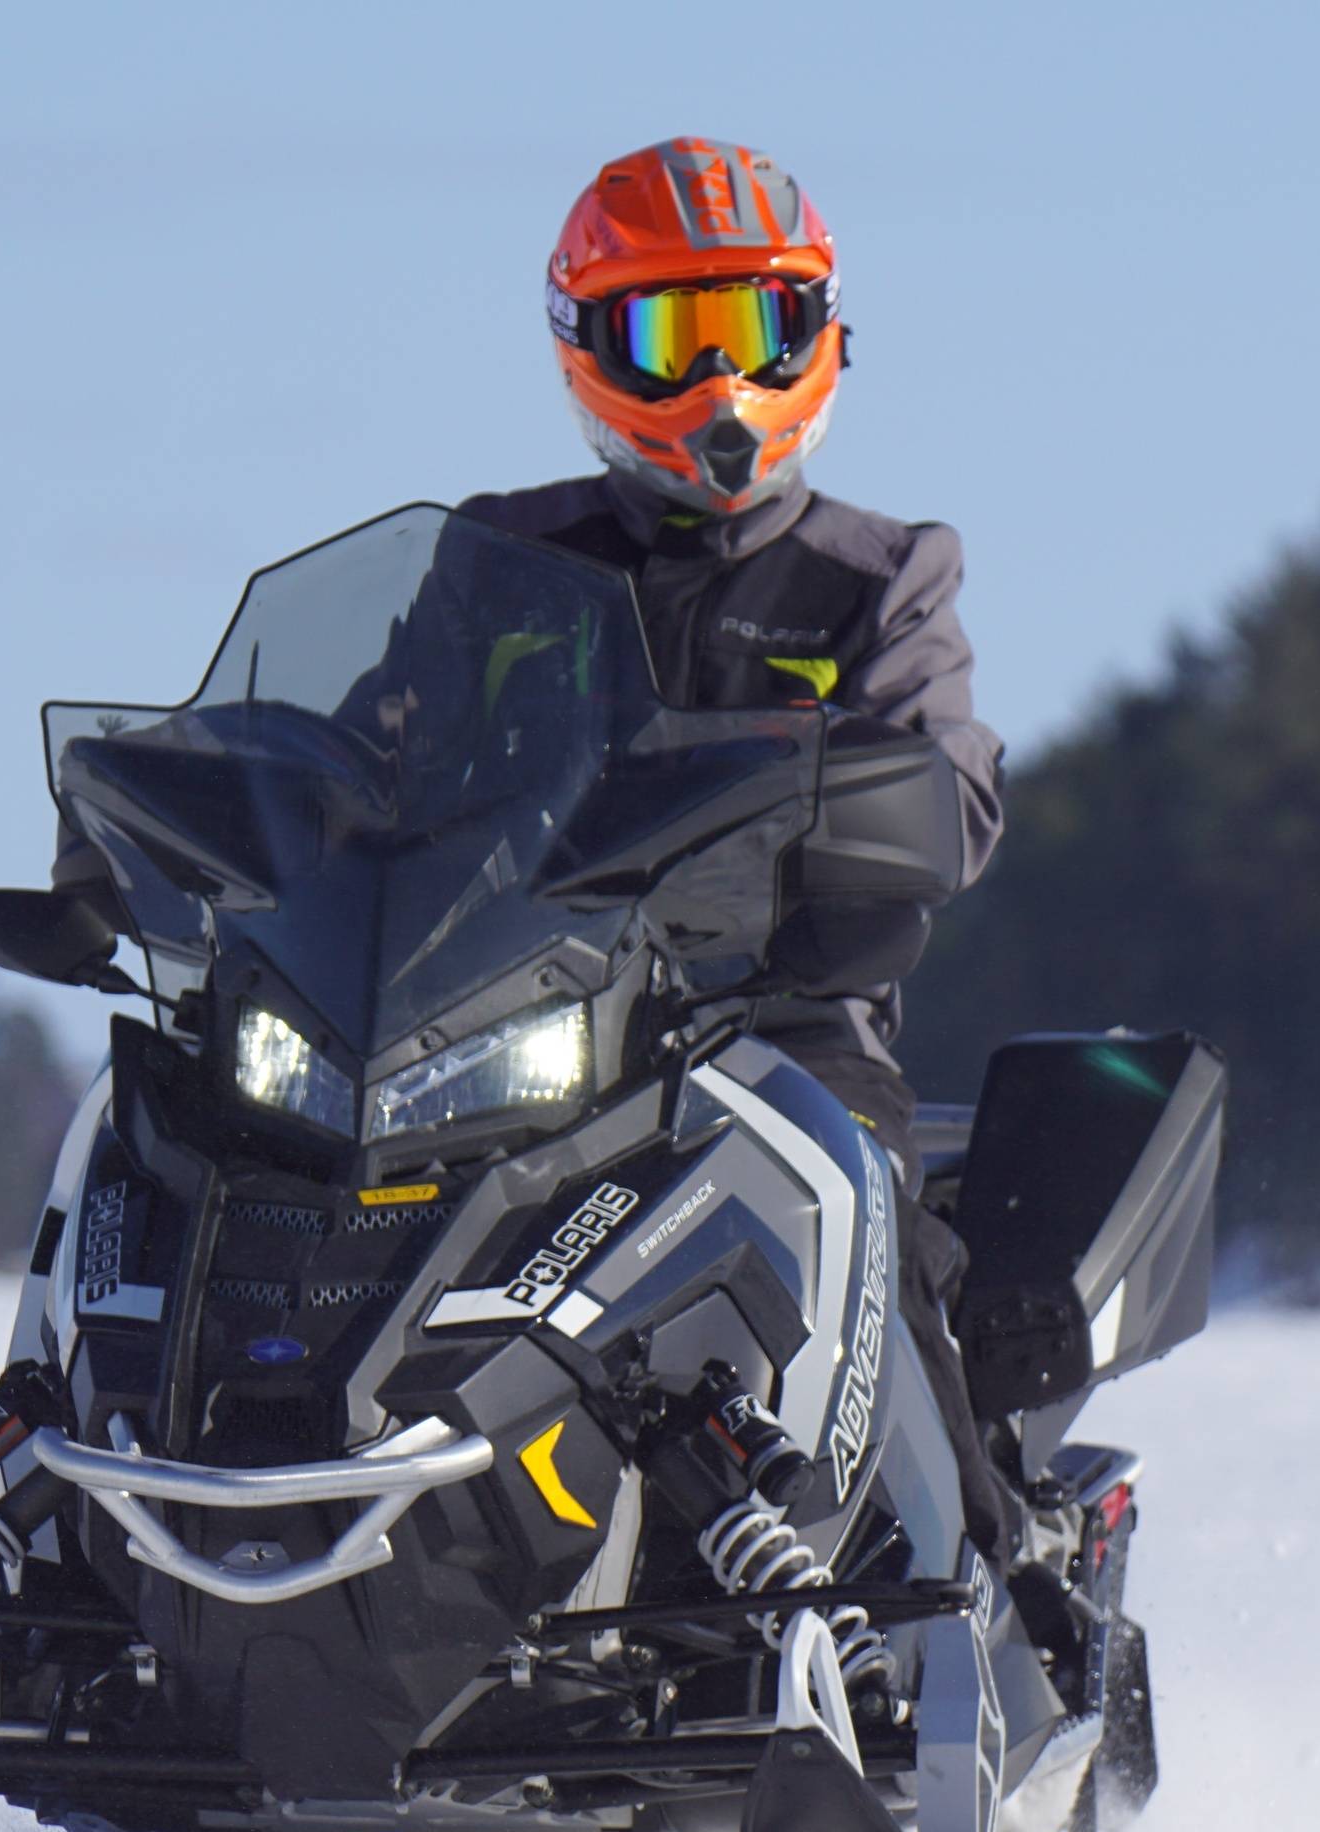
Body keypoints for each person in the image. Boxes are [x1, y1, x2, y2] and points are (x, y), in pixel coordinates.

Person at [465, 138, 1020, 1559]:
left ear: (818, 333)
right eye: (671, 335)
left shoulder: (883, 573)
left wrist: (844, 825)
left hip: (781, 1020)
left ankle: (985, 1575)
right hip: (510, 1024)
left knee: (866, 1219)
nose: (719, 383)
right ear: (591, 346)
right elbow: (367, 750)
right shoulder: (496, 565)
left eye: (752, 331)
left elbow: (950, 791)